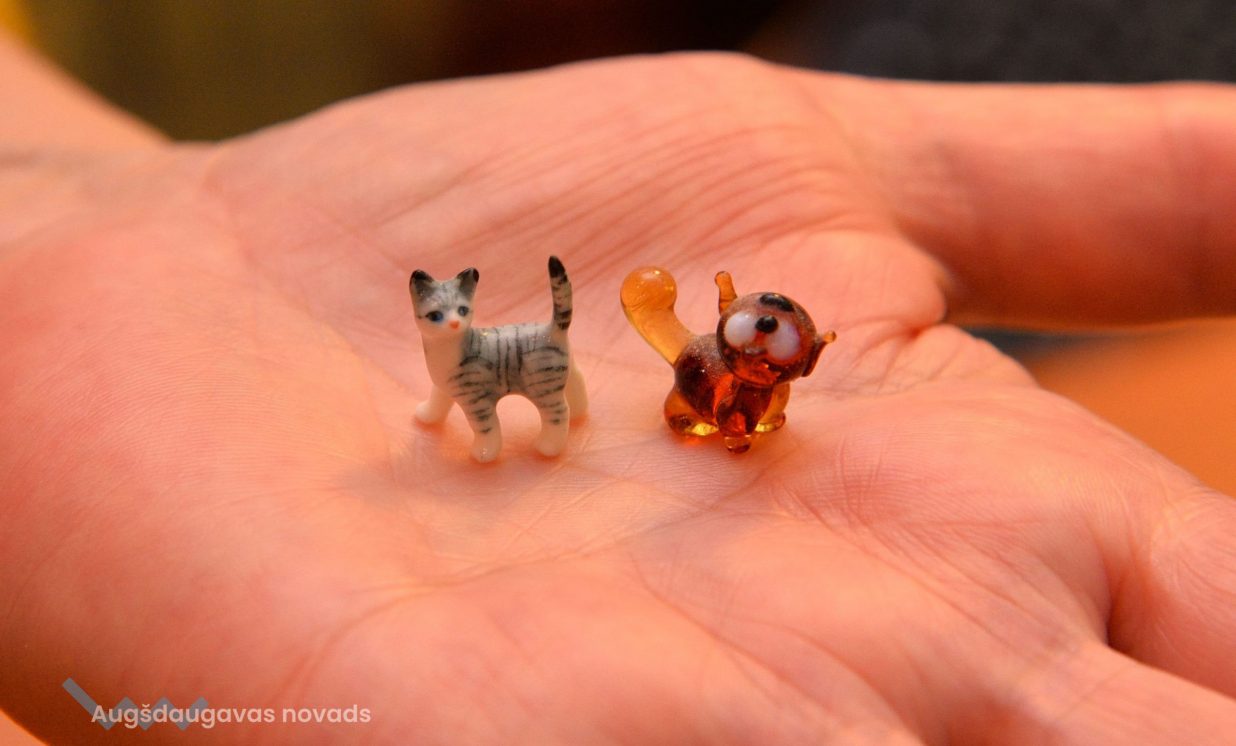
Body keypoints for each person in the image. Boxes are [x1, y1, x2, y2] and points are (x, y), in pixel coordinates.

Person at [1, 29, 1234, 743]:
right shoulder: (695, 357)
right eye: (760, 337)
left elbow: (741, 392)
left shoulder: (753, 363)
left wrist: (58, 192)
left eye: (774, 343)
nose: (767, 345)